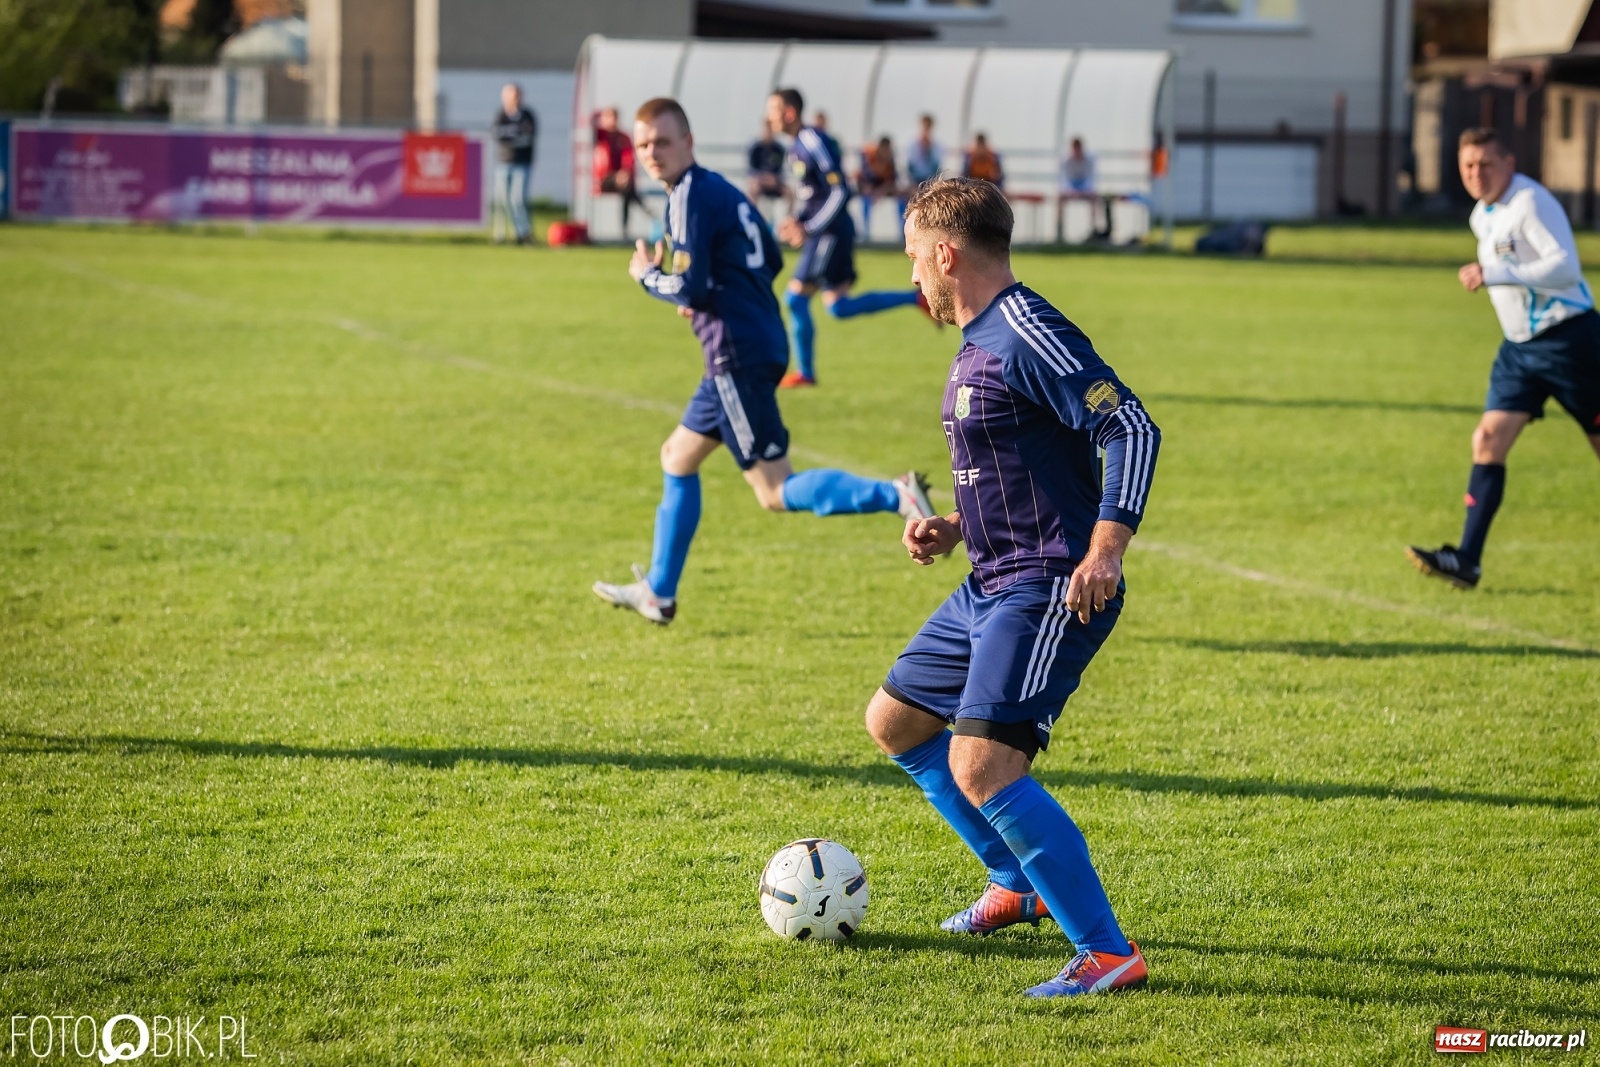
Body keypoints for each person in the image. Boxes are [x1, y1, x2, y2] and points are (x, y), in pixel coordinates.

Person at [866, 177, 1160, 998]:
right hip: (988, 576)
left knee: (983, 760)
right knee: (897, 720)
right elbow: (1020, 456)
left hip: (1048, 583)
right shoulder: (977, 336)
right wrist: (955, 524)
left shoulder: (1026, 328)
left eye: (913, 255)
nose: (912, 273)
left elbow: (1129, 424)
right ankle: (1015, 880)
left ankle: (1107, 952)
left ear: (946, 252)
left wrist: (1106, 547)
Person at [593, 98, 937, 626]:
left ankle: (895, 496)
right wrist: (712, 294)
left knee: (774, 490)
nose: (651, 153)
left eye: (662, 141)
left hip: (734, 352)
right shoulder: (721, 190)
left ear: (687, 141)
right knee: (676, 457)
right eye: (643, 144)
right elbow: (770, 259)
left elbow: (688, 282)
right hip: (756, 341)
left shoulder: (687, 194)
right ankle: (658, 592)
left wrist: (646, 275)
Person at [1408, 127, 1600, 588]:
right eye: (1468, 165)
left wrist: (1495, 272)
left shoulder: (1531, 203)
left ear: (1509, 164)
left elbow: (1566, 267)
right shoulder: (1483, 215)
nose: (1476, 174)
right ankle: (1466, 561)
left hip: (1571, 341)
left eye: (1486, 164)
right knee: (1488, 439)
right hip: (1520, 349)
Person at [765, 88, 932, 389]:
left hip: (830, 233)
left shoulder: (812, 140)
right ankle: (915, 298)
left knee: (794, 299)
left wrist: (810, 227)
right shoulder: (795, 147)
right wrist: (797, 220)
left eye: (773, 109)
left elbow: (840, 191)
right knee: (838, 307)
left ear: (789, 112)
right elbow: (813, 195)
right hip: (826, 230)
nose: (769, 116)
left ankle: (805, 373)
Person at [491, 83, 537, 245]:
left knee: (518, 199)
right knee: (501, 201)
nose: (514, 99)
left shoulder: (527, 115)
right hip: (503, 163)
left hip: (522, 163)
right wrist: (514, 135)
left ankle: (523, 233)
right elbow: (497, 135)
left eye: (517, 95)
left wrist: (511, 137)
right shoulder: (501, 116)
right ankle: (500, 235)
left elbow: (527, 138)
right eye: (511, 95)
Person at [593, 106, 644, 232]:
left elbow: (629, 157)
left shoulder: (623, 137)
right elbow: (590, 125)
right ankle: (643, 208)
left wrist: (625, 173)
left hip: (621, 179)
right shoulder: (601, 135)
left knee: (626, 190)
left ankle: (625, 227)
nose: (612, 120)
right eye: (609, 117)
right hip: (604, 178)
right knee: (628, 190)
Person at [1059, 136, 1108, 241]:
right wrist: (1072, 191)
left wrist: (1085, 191)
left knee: (1094, 198)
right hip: (1071, 186)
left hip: (1085, 186)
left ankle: (1093, 229)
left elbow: (1091, 178)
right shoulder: (1066, 160)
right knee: (1060, 198)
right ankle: (1060, 231)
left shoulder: (1089, 159)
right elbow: (1064, 179)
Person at [856, 136, 900, 240]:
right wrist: (870, 190)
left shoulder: (890, 159)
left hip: (882, 188)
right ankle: (865, 232)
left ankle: (902, 231)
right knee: (866, 198)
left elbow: (892, 181)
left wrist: (881, 192)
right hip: (867, 187)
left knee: (902, 198)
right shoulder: (869, 155)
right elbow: (863, 177)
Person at [902, 113, 942, 221]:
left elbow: (937, 166)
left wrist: (928, 149)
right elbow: (910, 166)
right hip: (915, 181)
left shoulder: (936, 146)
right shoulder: (912, 145)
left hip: (930, 181)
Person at [746, 118, 788, 207]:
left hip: (774, 182)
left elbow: (780, 169)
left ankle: (789, 218)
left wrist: (774, 179)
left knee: (789, 192)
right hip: (759, 181)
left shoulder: (779, 148)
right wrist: (763, 178)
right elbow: (751, 170)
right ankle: (754, 216)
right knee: (753, 187)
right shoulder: (756, 148)